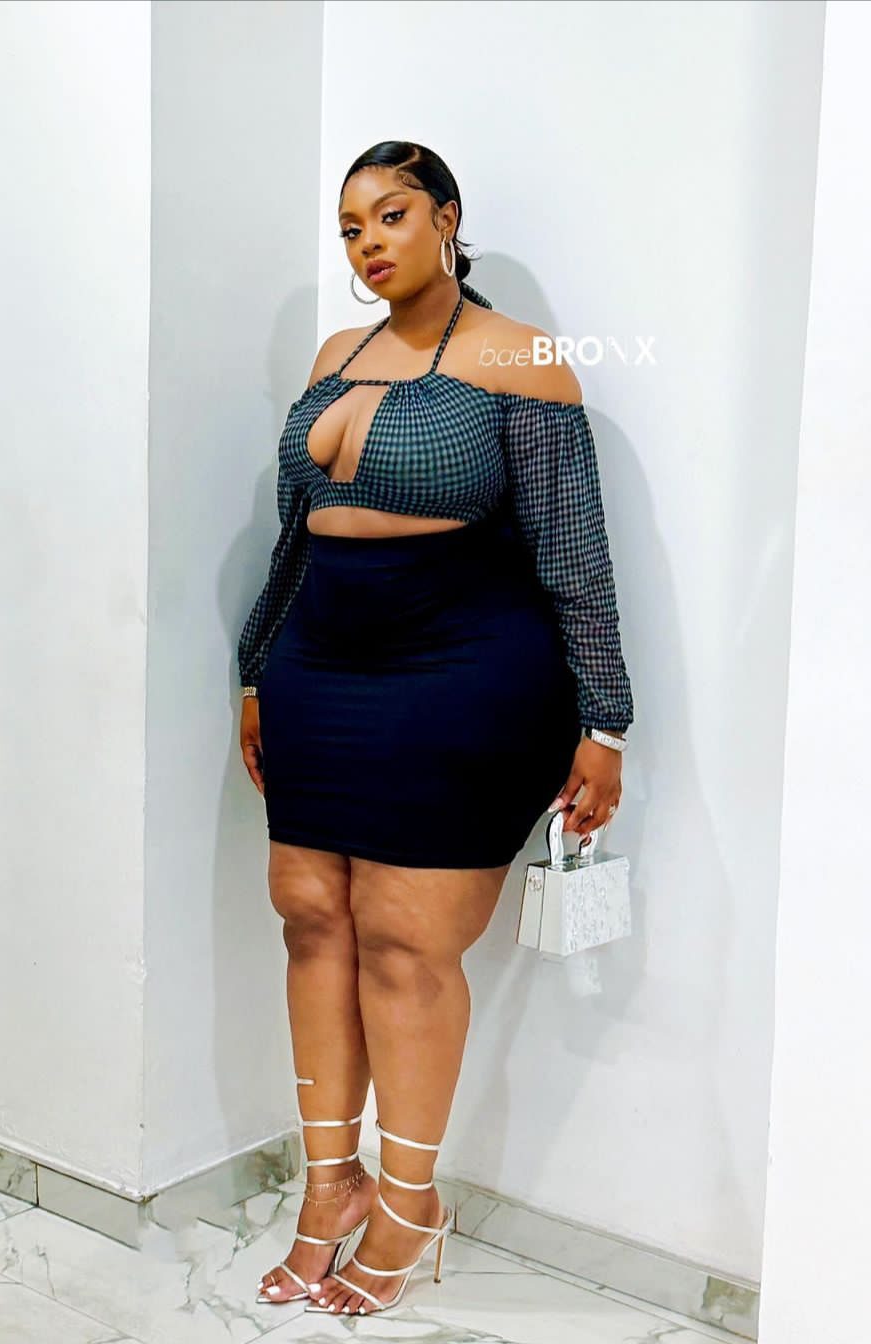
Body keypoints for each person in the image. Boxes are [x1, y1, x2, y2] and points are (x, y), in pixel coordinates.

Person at [237, 141, 633, 1318]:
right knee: (311, 915)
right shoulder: (335, 357)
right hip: (320, 670)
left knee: (409, 941)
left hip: (465, 674)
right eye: (351, 228)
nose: (369, 244)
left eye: (393, 214)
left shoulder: (522, 359)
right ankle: (331, 1188)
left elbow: (574, 554)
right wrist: (255, 669)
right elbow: (294, 537)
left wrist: (606, 722)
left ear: (447, 219)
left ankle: (410, 1206)